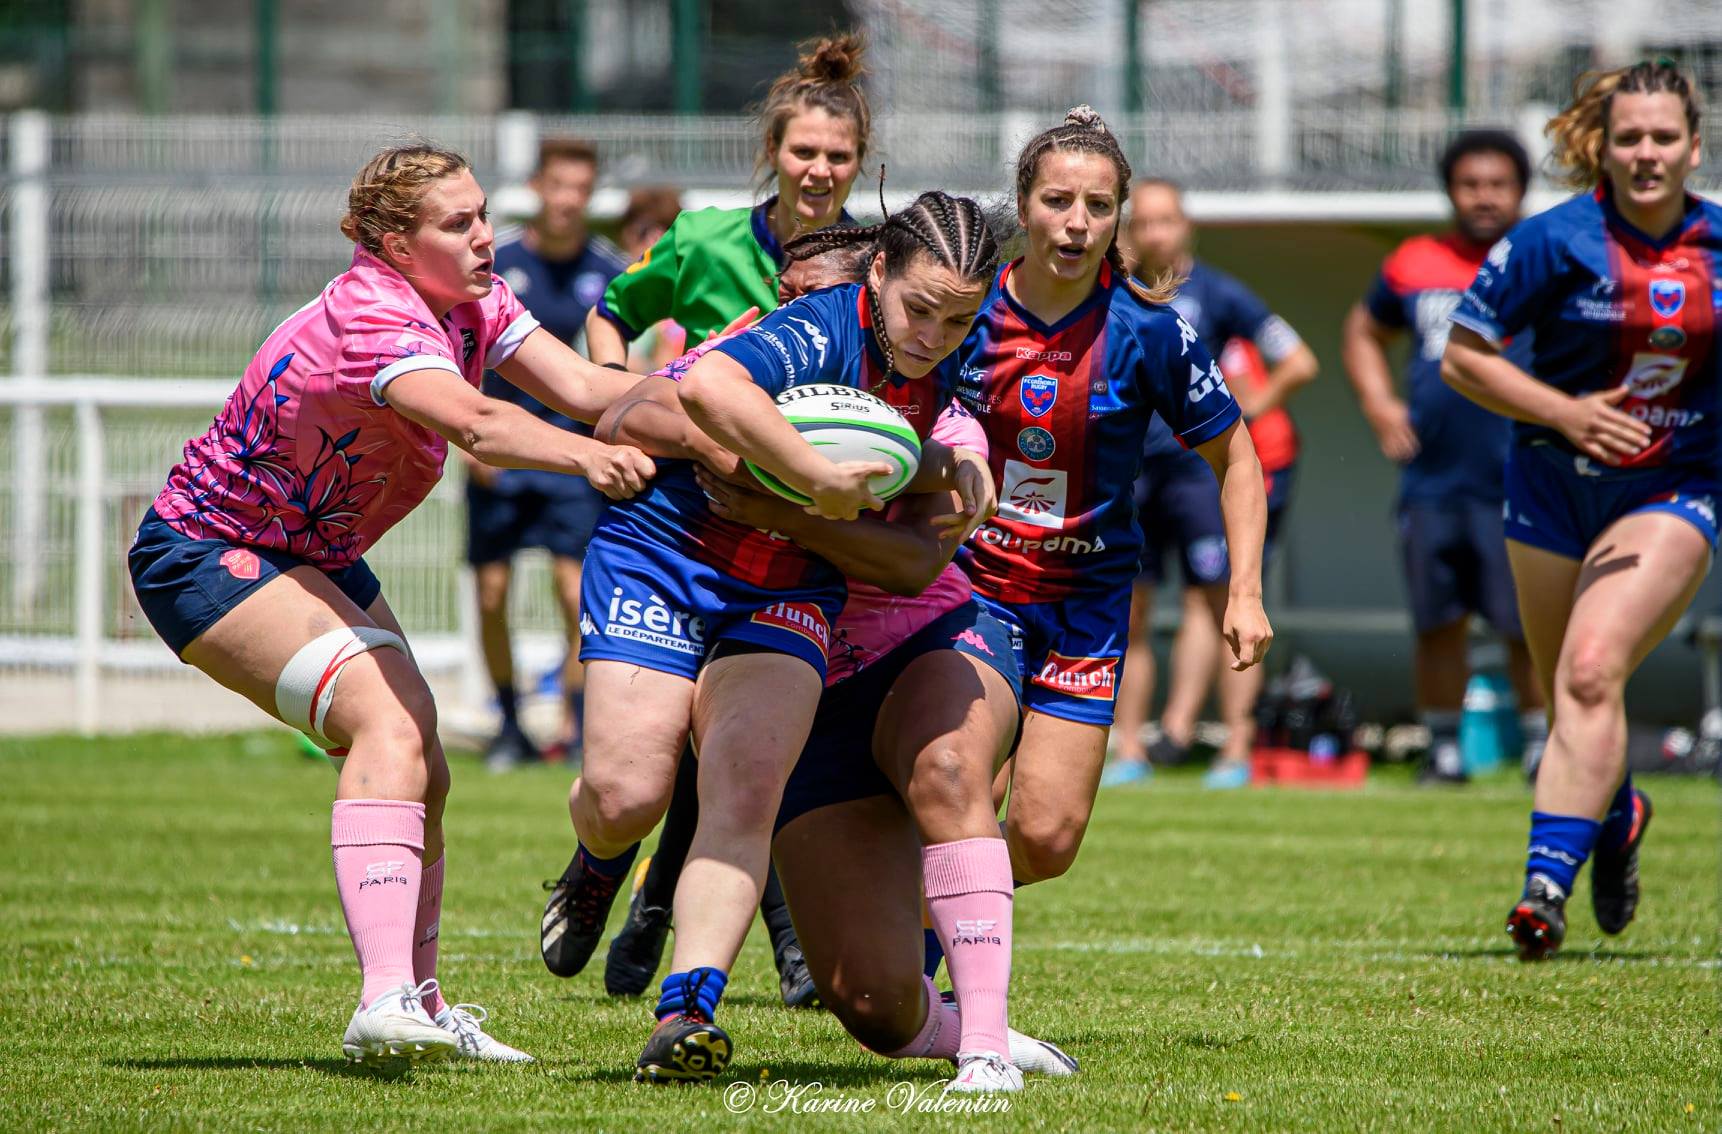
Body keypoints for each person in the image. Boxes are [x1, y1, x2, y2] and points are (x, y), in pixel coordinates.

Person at [125, 144, 653, 1065]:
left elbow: (585, 387)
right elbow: (479, 425)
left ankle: (420, 1003)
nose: (486, 235)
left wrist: (730, 414)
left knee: (428, 766)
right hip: (206, 552)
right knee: (389, 724)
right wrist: (588, 457)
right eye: (459, 223)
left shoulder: (474, 300)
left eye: (484, 213)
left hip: (307, 547)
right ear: (393, 245)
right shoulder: (376, 313)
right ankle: (381, 1002)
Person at [598, 227, 1071, 1092]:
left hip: (930, 638)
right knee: (874, 1006)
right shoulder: (778, 354)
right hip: (813, 668)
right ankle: (951, 1020)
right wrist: (732, 451)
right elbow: (639, 409)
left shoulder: (945, 388)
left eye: (953, 318)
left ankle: (988, 1046)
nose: (932, 332)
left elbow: (917, 562)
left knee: (948, 771)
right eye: (792, 300)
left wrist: (800, 507)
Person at [576, 32, 873, 1010]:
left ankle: (697, 926)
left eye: (838, 157)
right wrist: (612, 400)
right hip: (674, 526)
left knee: (745, 752)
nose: (820, 171)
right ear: (773, 156)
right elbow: (614, 310)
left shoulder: (870, 267)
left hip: (791, 544)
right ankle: (618, 874)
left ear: (857, 166)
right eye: (804, 153)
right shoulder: (707, 241)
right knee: (651, 769)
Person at [947, 110, 1270, 911]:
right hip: (969, 590)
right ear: (1023, 206)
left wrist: (1246, 591)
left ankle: (915, 914)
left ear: (1119, 215)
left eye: (1098, 205)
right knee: (960, 791)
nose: (1078, 222)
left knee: (1048, 839)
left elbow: (1239, 460)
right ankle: (925, 957)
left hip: (1088, 605)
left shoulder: (1151, 331)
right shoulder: (962, 311)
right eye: (1058, 200)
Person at [1442, 61, 1718, 959]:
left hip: (1673, 490)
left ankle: (1542, 893)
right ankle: (1616, 807)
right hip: (1551, 486)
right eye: (1630, 136)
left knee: (1593, 671)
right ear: (1606, 143)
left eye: (1664, 137)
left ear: (1694, 145)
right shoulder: (1550, 241)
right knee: (1573, 693)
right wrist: (1564, 412)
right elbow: (1464, 357)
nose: (1647, 153)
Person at [1342, 129, 1547, 785]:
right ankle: (1445, 751)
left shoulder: (1547, 260)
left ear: (1520, 191)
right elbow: (1363, 329)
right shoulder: (1414, 262)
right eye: (1471, 184)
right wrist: (1379, 403)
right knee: (1438, 625)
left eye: (1498, 185)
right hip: (1432, 483)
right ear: (1451, 190)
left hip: (1521, 476)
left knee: (1528, 626)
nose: (1484, 197)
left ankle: (1544, 748)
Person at [1102, 177, 1317, 789]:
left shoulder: (1219, 294)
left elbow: (1300, 360)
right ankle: (1132, 748)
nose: (1154, 232)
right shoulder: (1119, 294)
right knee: (1132, 609)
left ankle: (1225, 746)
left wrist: (1252, 411)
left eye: (1165, 219)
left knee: (1216, 599)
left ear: (1186, 224)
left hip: (1198, 473)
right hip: (1134, 472)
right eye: (1142, 221)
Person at [464, 137, 631, 771]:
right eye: (558, 186)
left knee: (574, 594)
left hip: (570, 456)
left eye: (581, 190)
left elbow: (623, 362)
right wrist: (467, 437)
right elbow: (458, 346)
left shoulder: (608, 270)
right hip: (497, 452)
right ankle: (509, 725)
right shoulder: (495, 260)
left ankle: (577, 724)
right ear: (537, 187)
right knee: (489, 593)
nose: (568, 200)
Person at [615, 186, 687, 373]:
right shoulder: (609, 298)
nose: (655, 241)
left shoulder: (698, 299)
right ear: (626, 234)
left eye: (669, 231)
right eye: (644, 231)